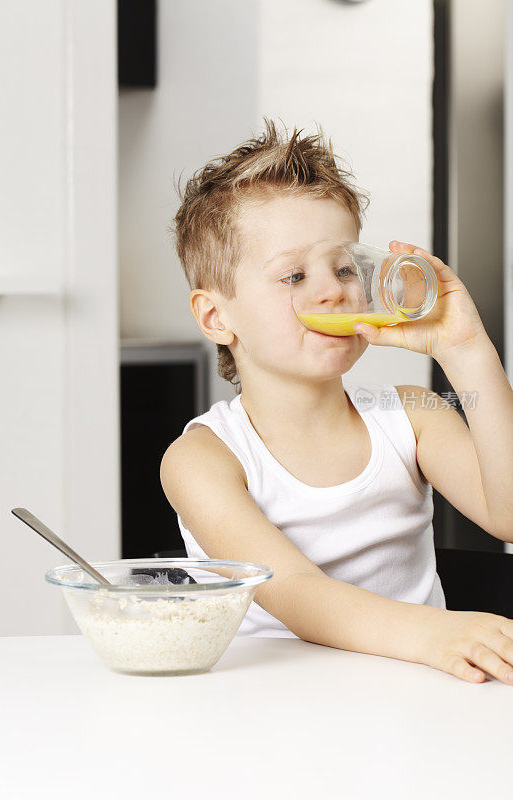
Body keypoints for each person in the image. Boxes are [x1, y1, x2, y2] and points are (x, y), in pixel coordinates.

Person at [160, 118, 513, 685]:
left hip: (416, 693)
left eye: (344, 267)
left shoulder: (413, 415)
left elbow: (509, 514)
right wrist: (435, 632)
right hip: (269, 703)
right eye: (294, 274)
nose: (333, 289)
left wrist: (467, 351)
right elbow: (296, 593)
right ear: (215, 316)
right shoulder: (203, 460)